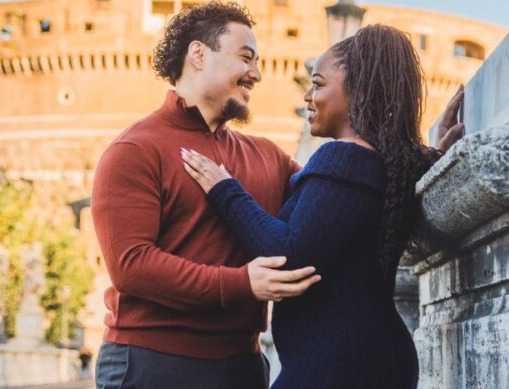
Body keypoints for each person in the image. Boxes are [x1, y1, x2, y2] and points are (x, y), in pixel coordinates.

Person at [182, 24, 464, 388]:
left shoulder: (342, 157)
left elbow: (288, 257)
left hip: (335, 364)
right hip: (370, 357)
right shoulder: (388, 163)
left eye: (318, 83)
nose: (307, 96)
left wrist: (225, 191)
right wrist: (435, 155)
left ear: (357, 92)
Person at [91, 1, 321, 389]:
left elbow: (332, 196)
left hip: (243, 367)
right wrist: (241, 283)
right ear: (198, 54)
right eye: (246, 58)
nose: (257, 74)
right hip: (151, 365)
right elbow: (131, 265)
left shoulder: (268, 157)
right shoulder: (134, 149)